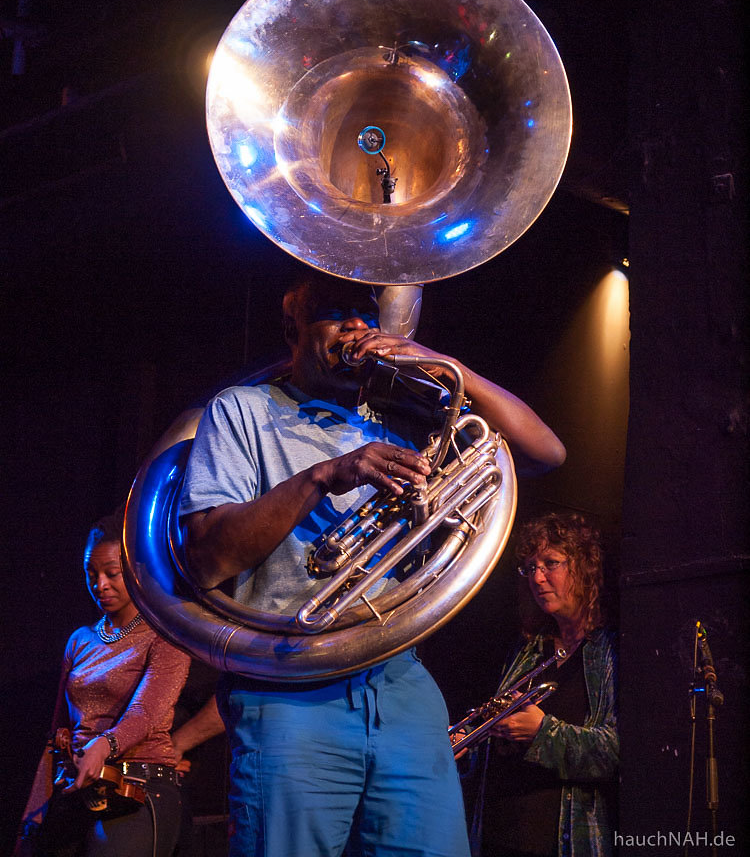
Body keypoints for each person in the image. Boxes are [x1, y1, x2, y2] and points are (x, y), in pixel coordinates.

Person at [178, 271, 566, 857]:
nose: (358, 327)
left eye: (366, 313)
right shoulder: (242, 411)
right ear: (293, 326)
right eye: (336, 313)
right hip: (290, 683)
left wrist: (438, 362)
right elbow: (207, 557)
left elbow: (545, 452)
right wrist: (326, 475)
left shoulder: (397, 416)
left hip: (399, 679)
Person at [16, 512, 192, 857]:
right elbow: (59, 732)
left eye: (112, 573)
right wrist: (34, 815)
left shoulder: (164, 635)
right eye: (91, 573)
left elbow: (146, 711)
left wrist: (103, 745)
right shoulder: (80, 640)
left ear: (136, 570)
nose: (101, 584)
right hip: (77, 787)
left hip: (137, 786)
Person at [465, 512, 618, 857]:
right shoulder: (528, 650)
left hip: (561, 840)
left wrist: (542, 732)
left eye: (551, 563)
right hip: (498, 833)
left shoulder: (610, 649)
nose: (537, 577)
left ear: (584, 567)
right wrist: (472, 741)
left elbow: (616, 751)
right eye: (530, 568)